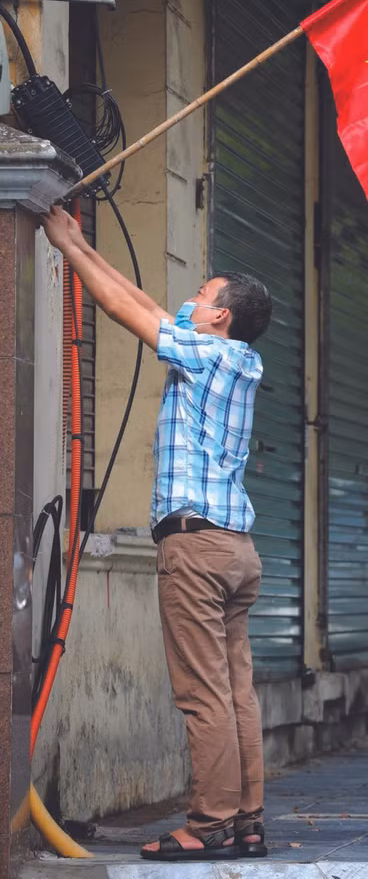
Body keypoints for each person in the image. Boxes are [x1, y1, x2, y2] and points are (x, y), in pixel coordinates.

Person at [42, 205, 272, 862]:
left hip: (196, 548)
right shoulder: (235, 359)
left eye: (200, 294)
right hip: (235, 548)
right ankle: (247, 820)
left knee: (203, 696)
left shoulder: (209, 354)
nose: (188, 299)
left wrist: (66, 247)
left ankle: (208, 825)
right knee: (235, 693)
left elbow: (122, 310)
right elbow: (140, 299)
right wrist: (84, 246)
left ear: (221, 314)